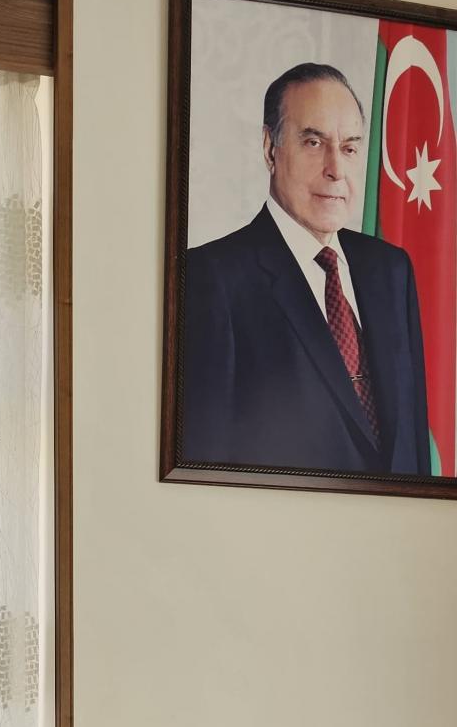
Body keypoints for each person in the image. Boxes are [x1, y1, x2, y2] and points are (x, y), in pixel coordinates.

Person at [182, 62, 430, 475]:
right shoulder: (211, 278)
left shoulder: (392, 271)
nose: (336, 169)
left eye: (349, 148)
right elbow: (204, 467)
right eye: (314, 143)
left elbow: (414, 446)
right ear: (270, 149)